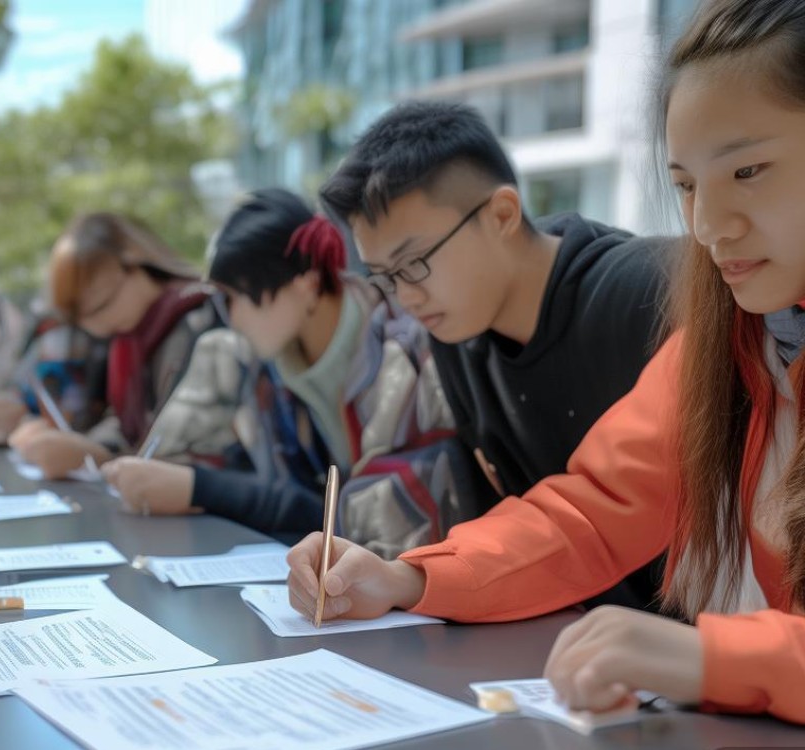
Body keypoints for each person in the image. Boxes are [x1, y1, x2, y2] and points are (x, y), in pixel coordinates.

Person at [286, 0, 805, 722]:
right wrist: (407, 578)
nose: (710, 226)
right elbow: (588, 515)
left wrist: (712, 657)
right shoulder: (732, 339)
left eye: (749, 170)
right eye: (685, 186)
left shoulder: (649, 293)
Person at [317, 100, 674, 608]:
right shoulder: (456, 335)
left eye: (414, 264)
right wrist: (401, 578)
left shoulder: (651, 290)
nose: (407, 297)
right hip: (578, 637)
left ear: (503, 214)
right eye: (386, 278)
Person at [104, 189, 469, 552]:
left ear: (306, 285)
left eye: (235, 298)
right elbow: (168, 460)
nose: (230, 317)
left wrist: (206, 489)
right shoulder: (257, 361)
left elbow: (376, 532)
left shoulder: (402, 358)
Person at [11, 212, 232, 478]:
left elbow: (192, 442)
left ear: (134, 263)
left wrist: (100, 456)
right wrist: (83, 447)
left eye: (103, 305)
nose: (98, 327)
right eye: (83, 319)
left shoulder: (201, 320)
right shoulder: (132, 336)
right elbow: (126, 422)